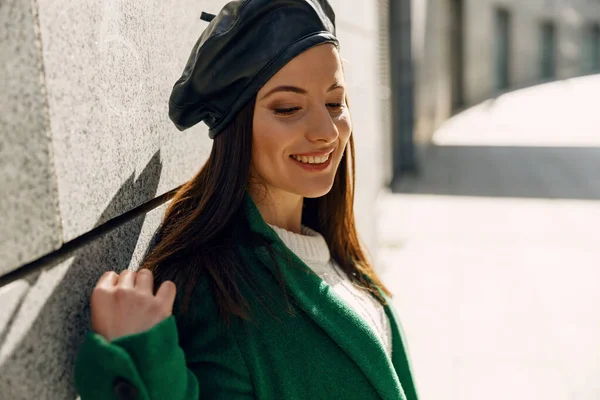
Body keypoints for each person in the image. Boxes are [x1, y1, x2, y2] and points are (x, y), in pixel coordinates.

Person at [74, 1, 420, 399]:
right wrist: (141, 360)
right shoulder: (218, 296)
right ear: (235, 124)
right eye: (289, 107)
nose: (326, 131)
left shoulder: (329, 247)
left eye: (334, 102)